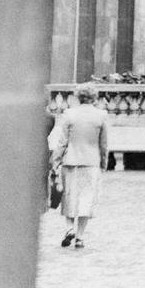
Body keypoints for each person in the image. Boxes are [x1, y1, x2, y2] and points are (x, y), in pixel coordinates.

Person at [47, 84, 109, 251]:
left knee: (69, 197)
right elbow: (104, 144)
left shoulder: (69, 114)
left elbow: (62, 142)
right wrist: (104, 162)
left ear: (78, 97)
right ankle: (80, 237)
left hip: (71, 161)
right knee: (86, 199)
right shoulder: (101, 116)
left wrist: (55, 161)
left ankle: (69, 228)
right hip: (91, 162)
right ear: (94, 97)